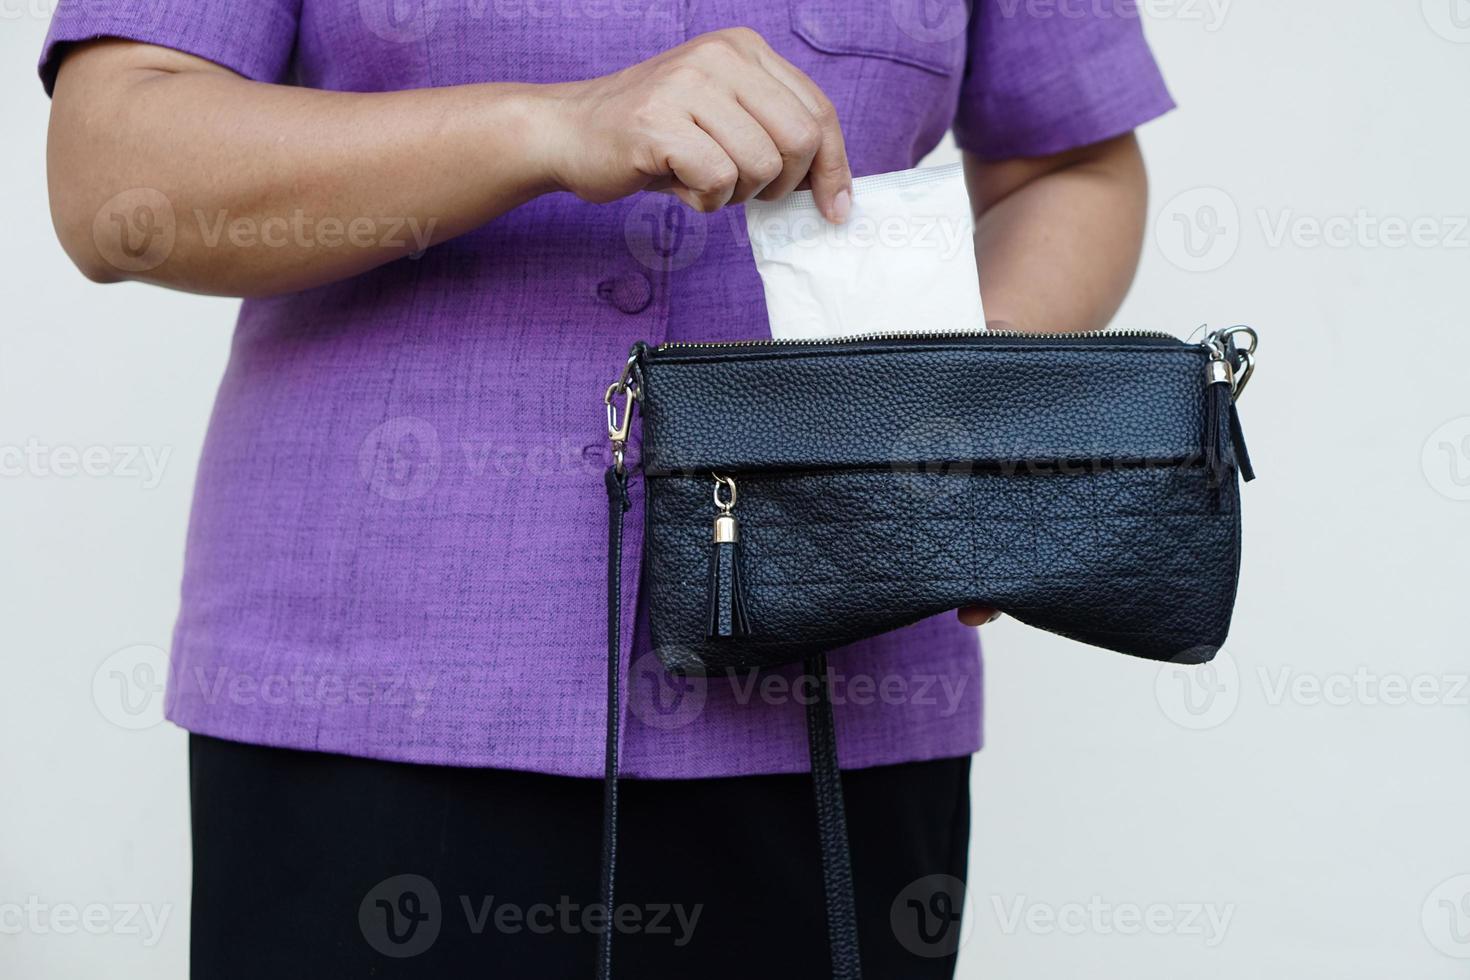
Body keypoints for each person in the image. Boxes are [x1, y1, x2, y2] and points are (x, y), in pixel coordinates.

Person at [41, 2, 1172, 976]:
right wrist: (546, 124)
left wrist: (963, 414)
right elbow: (112, 174)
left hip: (842, 683)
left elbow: (1070, 163)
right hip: (369, 709)